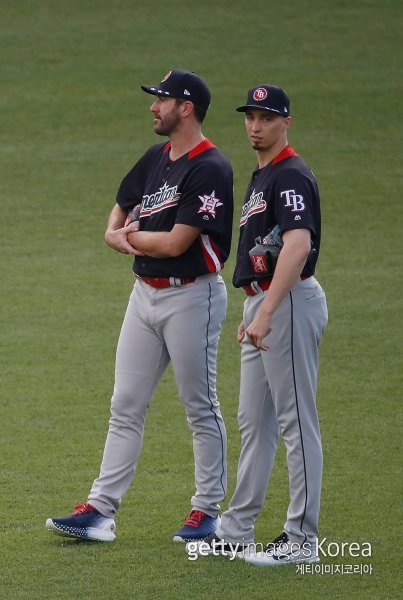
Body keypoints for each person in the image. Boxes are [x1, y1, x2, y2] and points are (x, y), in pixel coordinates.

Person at [46, 69, 234, 543]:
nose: (153, 106)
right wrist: (118, 230)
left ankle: (207, 511)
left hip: (193, 297)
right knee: (125, 404)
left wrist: (126, 238)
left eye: (162, 99)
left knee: (200, 406)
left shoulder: (211, 166)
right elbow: (123, 201)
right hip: (144, 295)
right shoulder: (156, 157)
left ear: (186, 108)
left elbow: (176, 244)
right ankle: (100, 511)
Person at [188, 84, 327, 566]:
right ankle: (237, 528)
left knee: (295, 422)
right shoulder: (263, 174)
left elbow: (297, 246)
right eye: (250, 116)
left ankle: (301, 540)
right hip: (263, 305)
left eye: (266, 117)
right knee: (256, 424)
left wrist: (266, 312)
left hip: (285, 302)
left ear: (286, 122)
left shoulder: (289, 175)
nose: (255, 125)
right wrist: (254, 312)